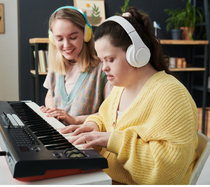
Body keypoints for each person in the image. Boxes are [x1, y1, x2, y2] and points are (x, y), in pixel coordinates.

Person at [60, 7, 198, 185]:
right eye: (102, 60)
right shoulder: (121, 87)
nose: (104, 68)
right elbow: (106, 118)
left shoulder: (171, 94)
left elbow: (167, 173)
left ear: (136, 55)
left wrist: (112, 140)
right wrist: (94, 125)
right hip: (104, 178)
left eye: (110, 59)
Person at [40, 6, 112, 125]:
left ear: (86, 34)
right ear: (52, 39)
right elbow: (50, 96)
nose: (66, 44)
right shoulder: (55, 67)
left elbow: (110, 112)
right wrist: (52, 111)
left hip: (85, 139)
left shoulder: (102, 69)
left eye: (73, 37)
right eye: (59, 39)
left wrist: (75, 120)